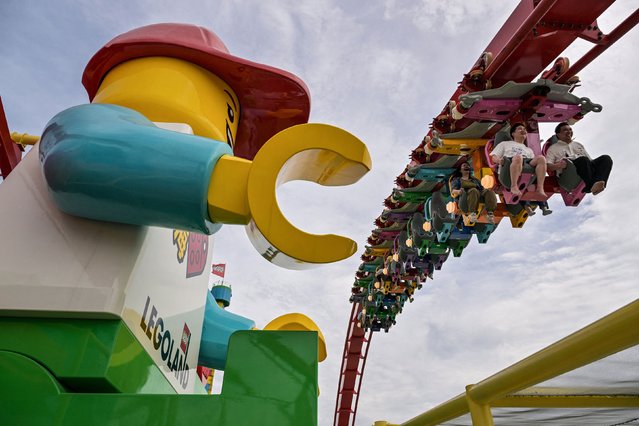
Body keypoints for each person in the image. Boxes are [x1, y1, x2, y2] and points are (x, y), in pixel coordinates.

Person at [545, 122, 612, 195]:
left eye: (570, 129)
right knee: (582, 159)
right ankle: (591, 186)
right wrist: (559, 166)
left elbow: (590, 161)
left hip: (584, 166)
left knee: (606, 158)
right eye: (565, 130)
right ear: (558, 134)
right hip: (567, 173)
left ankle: (597, 184)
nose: (569, 132)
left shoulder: (578, 145)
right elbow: (547, 166)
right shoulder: (553, 148)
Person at [490, 123, 547, 197]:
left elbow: (531, 162)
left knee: (541, 158)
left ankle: (540, 188)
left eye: (524, 129)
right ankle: (513, 186)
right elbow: (494, 157)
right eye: (520, 129)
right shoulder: (504, 144)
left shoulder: (528, 150)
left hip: (525, 164)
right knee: (518, 157)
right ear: (513, 134)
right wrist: (499, 161)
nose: (523, 130)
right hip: (508, 168)